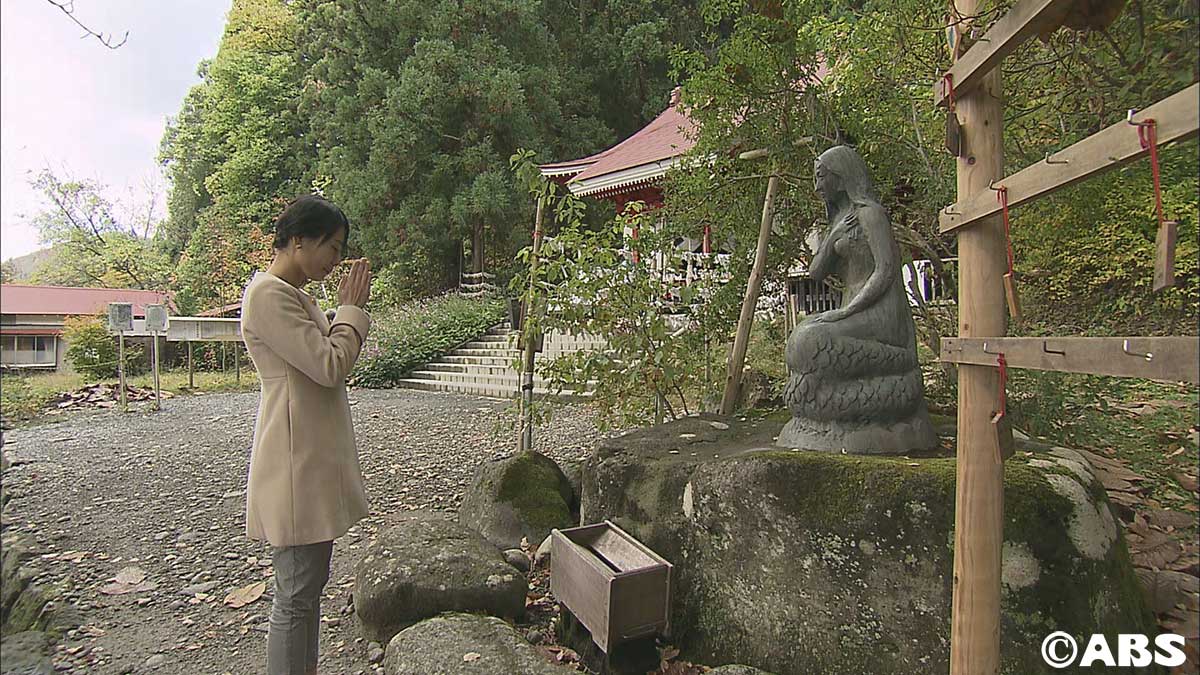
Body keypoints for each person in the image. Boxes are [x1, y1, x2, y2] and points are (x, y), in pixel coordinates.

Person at [240, 195, 372, 675]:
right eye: (331, 246)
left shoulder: (292, 295)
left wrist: (343, 313)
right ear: (298, 240)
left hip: (306, 456)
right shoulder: (269, 295)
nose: (336, 259)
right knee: (296, 594)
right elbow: (328, 365)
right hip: (293, 459)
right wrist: (351, 310)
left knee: (305, 588)